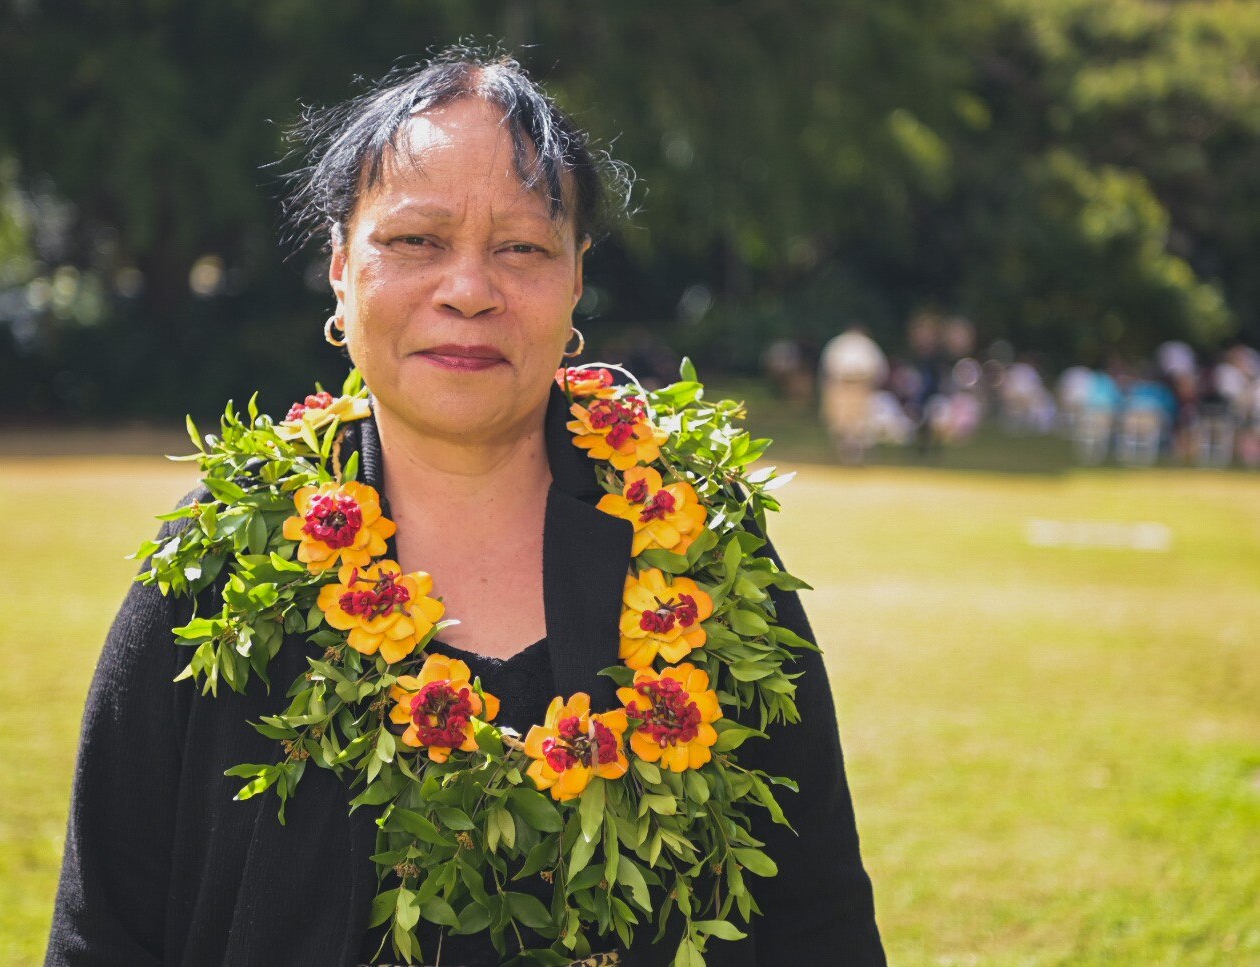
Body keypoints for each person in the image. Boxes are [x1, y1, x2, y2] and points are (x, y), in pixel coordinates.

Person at [45, 50, 884, 967]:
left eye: (521, 247)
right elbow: (105, 930)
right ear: (339, 269)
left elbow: (817, 918)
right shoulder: (224, 553)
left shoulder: (696, 537)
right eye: (415, 241)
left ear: (575, 279)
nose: (469, 290)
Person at [819, 323, 888, 464]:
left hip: (861, 385)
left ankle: (859, 452)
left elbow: (879, 370)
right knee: (841, 421)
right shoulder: (839, 344)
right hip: (841, 384)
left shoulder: (867, 345)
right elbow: (828, 368)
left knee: (860, 421)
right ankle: (845, 453)